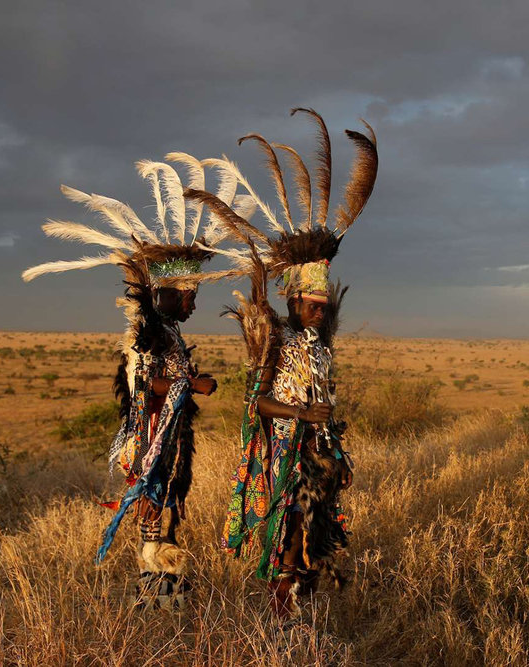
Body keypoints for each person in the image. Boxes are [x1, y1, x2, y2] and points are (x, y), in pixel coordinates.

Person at [185, 108, 378, 619]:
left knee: (317, 532)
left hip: (316, 452)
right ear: (293, 301)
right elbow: (259, 403)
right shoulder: (276, 341)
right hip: (285, 453)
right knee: (290, 530)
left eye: (323, 306)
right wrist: (300, 418)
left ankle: (298, 608)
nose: (319, 311)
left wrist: (337, 454)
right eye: (311, 305)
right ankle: (281, 611)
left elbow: (325, 403)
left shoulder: (319, 346)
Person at [22, 153, 237, 608]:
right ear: (165, 294)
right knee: (153, 511)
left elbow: (167, 378)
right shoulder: (147, 334)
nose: (192, 307)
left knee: (168, 508)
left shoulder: (170, 334)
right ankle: (153, 592)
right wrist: (190, 386)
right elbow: (144, 387)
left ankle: (167, 592)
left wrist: (190, 382)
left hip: (172, 438)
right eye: (187, 298)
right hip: (149, 441)